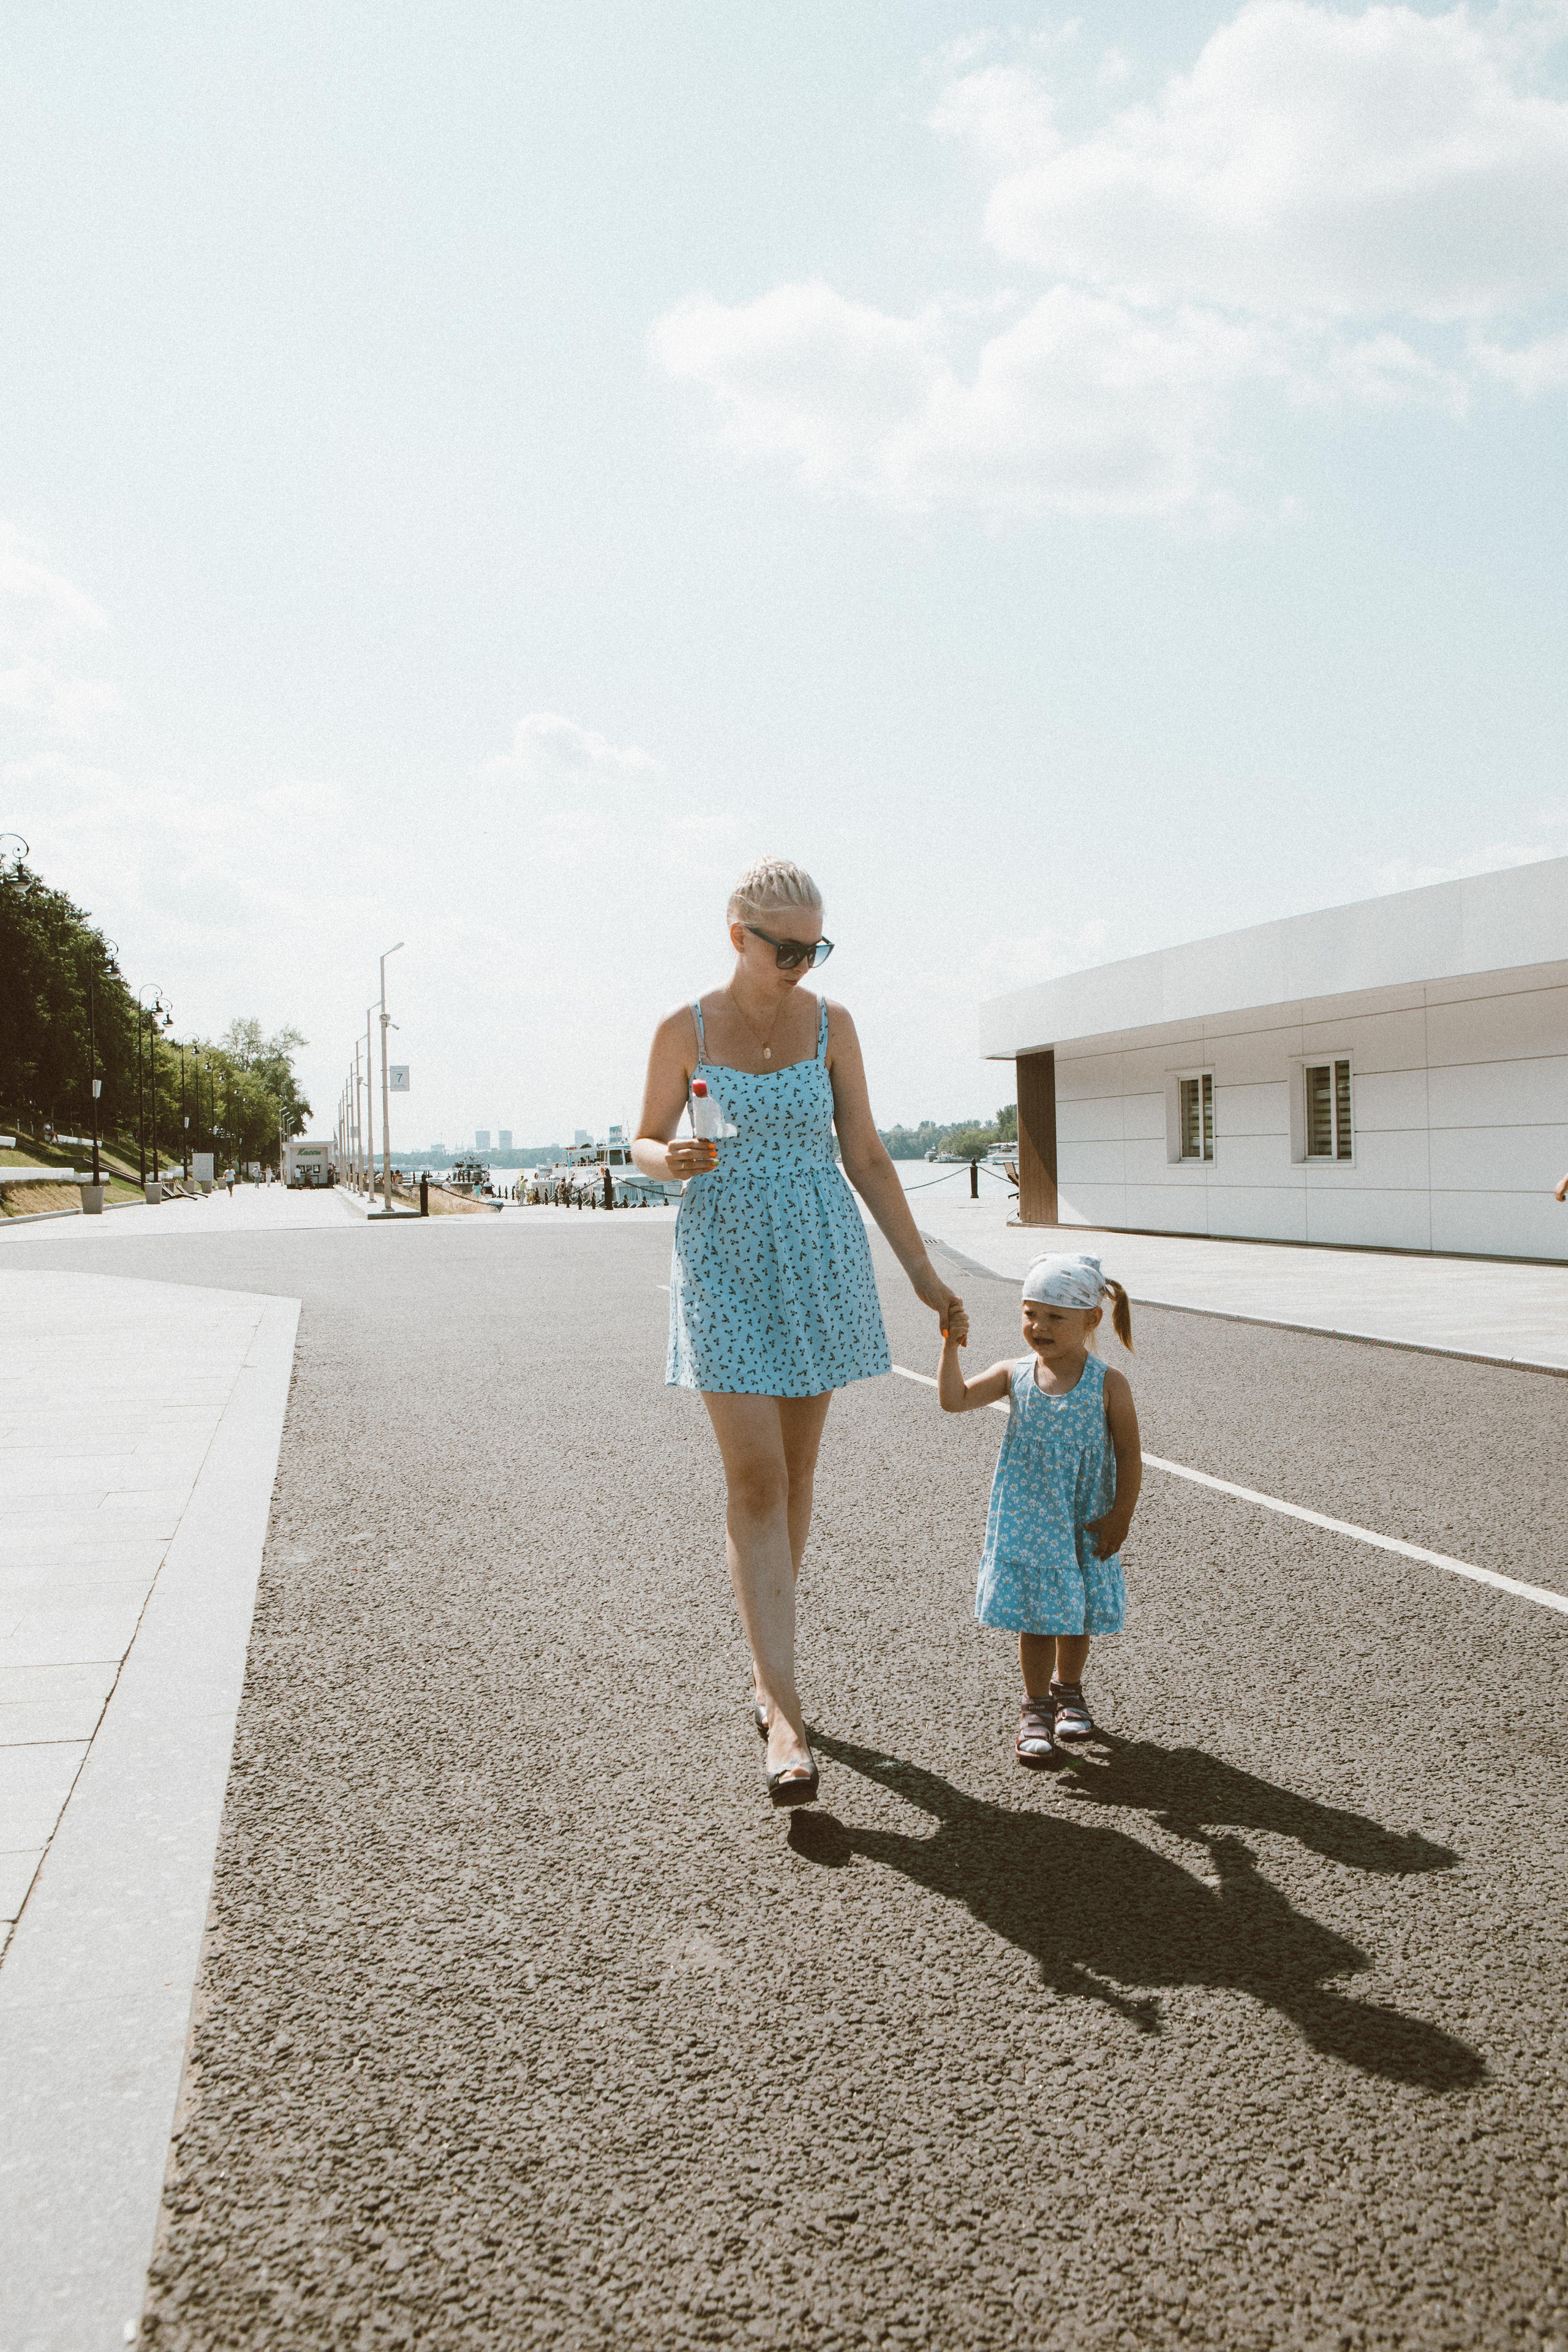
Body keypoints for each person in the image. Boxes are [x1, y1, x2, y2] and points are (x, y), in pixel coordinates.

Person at [633, 858, 965, 1809]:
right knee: (756, 1478)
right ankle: (784, 1709)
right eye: (787, 948)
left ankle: (763, 1663)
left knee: (800, 1473)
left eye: (816, 947)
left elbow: (864, 1151)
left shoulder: (832, 1024)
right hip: (725, 1262)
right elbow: (645, 1141)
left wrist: (923, 1274)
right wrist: (674, 1158)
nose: (802, 964)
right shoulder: (684, 1027)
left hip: (818, 1257)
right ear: (736, 935)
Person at [938, 1253, 1142, 1768]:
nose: (1038, 1327)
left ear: (1091, 1320)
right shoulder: (1015, 1374)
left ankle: (1068, 1690)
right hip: (1032, 1518)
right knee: (1037, 1615)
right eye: (1030, 1313)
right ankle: (1036, 1706)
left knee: (1077, 1613)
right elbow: (955, 1399)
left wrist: (1122, 1514)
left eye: (1054, 1317)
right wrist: (949, 1346)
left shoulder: (1108, 1383)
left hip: (1084, 1513)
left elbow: (1128, 1454)